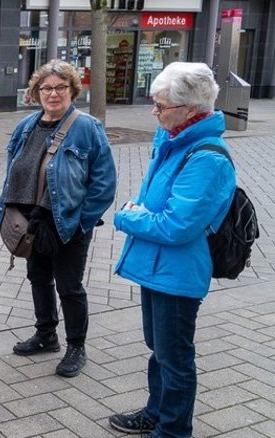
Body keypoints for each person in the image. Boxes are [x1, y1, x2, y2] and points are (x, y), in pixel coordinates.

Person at [109, 62, 236, 438]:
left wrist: (126, 218)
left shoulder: (206, 158)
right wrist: (139, 209)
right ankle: (156, 411)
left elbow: (175, 225)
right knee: (159, 348)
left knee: (175, 357)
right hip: (158, 266)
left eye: (161, 106)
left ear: (190, 108)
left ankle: (173, 430)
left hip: (178, 273)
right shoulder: (172, 141)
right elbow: (154, 200)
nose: (154, 112)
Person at [0, 59, 116, 378]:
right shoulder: (26, 126)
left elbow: (104, 183)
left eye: (61, 87)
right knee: (38, 278)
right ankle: (46, 335)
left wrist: (81, 222)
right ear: (35, 92)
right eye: (46, 88)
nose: (53, 93)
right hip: (32, 223)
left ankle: (76, 346)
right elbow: (12, 171)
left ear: (73, 90)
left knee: (70, 286)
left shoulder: (87, 127)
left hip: (67, 223)